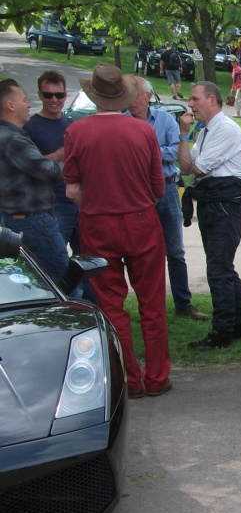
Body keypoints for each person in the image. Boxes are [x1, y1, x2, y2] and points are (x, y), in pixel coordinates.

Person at [63, 65, 171, 398]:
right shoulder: (142, 131)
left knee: (111, 305)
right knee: (152, 303)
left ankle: (128, 378)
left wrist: (96, 203)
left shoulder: (76, 132)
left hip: (97, 222)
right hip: (140, 219)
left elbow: (72, 189)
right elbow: (158, 187)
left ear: (94, 95)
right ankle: (156, 378)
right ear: (122, 96)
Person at [177, 81, 241, 350]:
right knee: (223, 266)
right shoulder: (206, 131)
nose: (190, 104)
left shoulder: (226, 128)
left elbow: (198, 169)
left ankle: (223, 332)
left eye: (194, 98)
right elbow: (186, 167)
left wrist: (187, 134)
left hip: (224, 204)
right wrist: (184, 135)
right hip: (213, 202)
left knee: (218, 270)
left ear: (212, 100)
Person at [127, 76, 208, 323]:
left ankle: (183, 303)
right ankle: (150, 305)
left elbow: (175, 152)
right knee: (141, 252)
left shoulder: (164, 120)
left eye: (135, 95)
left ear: (148, 96)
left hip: (166, 189)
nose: (131, 101)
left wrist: (141, 150)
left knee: (174, 251)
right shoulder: (122, 121)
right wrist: (154, 152)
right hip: (136, 192)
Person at [0, 78, 69, 282]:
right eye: (24, 99)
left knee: (35, 280)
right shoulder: (12, 139)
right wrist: (75, 161)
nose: (29, 104)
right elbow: (49, 172)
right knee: (63, 281)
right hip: (33, 220)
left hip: (22, 219)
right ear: (10, 105)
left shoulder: (10, 135)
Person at [23, 71, 78, 253]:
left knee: (89, 264)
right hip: (52, 207)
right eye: (48, 95)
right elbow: (27, 168)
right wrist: (58, 155)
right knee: (53, 263)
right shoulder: (30, 127)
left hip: (79, 203)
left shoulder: (72, 125)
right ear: (39, 95)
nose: (54, 99)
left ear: (65, 96)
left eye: (59, 95)